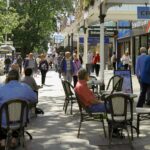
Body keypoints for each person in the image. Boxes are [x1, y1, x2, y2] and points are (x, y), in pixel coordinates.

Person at [0, 70, 37, 148]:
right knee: (18, 116)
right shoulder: (26, 87)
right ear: (18, 77)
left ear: (7, 77)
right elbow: (35, 99)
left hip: (4, 121)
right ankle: (14, 138)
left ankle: (2, 140)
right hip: (21, 120)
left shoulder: (1, 87)